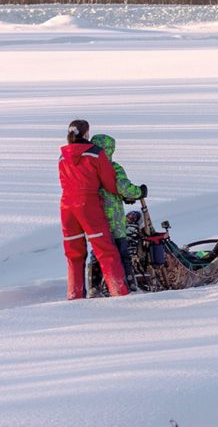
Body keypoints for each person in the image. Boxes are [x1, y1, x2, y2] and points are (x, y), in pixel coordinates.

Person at [58, 120, 129, 299]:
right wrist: (125, 194)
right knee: (106, 250)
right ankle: (118, 292)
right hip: (88, 205)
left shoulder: (62, 157)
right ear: (86, 133)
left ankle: (74, 294)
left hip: (67, 207)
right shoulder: (96, 154)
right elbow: (110, 183)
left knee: (74, 253)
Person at [85, 134, 147, 296]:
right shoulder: (112, 167)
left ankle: (94, 286)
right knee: (122, 252)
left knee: (97, 251)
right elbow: (123, 187)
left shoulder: (87, 168)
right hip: (114, 217)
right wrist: (139, 192)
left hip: (94, 215)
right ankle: (129, 284)